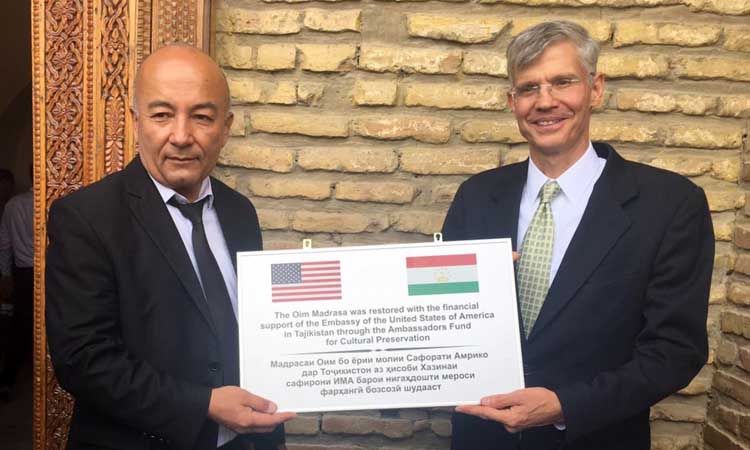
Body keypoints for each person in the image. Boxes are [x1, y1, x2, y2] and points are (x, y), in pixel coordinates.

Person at [442, 21, 713, 450]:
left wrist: (566, 406)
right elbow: (440, 315)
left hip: (596, 438)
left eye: (563, 82)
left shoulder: (671, 205)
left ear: (595, 88)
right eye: (529, 88)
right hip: (481, 438)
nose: (545, 101)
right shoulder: (475, 197)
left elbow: (675, 352)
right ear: (512, 102)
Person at [46, 45, 294, 450]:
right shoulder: (84, 218)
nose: (181, 136)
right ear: (136, 122)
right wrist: (204, 406)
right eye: (162, 115)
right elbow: (84, 360)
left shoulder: (240, 212)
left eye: (202, 117)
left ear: (226, 127)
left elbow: (250, 329)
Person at [0, 166, 33, 397]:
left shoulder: (13, 205)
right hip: (48, 271)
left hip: (22, 273)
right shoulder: (52, 202)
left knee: (20, 326)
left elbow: (5, 243)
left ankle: (8, 380)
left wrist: (6, 274)